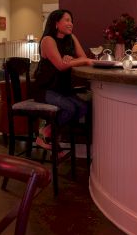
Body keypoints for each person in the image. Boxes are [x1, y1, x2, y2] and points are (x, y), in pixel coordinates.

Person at [34, 9, 93, 149]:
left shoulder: (71, 38)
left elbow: (83, 57)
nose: (70, 24)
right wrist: (72, 61)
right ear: (56, 23)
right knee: (71, 109)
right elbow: (61, 66)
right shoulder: (48, 40)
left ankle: (49, 133)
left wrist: (71, 59)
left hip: (62, 88)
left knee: (84, 107)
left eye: (71, 20)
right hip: (46, 88)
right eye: (66, 20)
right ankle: (45, 133)